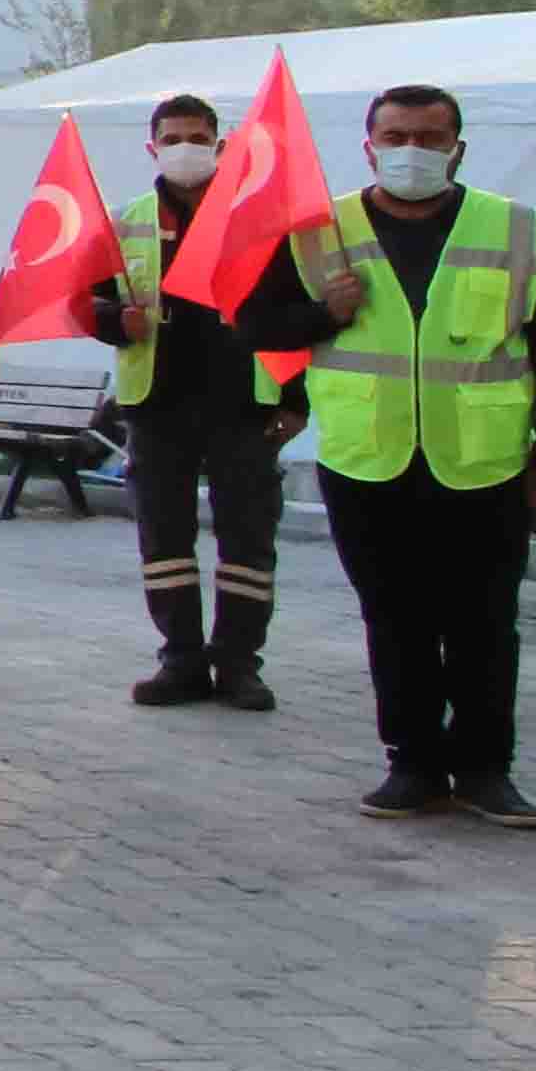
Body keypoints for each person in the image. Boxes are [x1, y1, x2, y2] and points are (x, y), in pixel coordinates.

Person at [307, 84, 536, 825]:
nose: (412, 153)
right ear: (369, 146)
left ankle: (487, 769)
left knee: (484, 623)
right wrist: (317, 312)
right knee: (393, 620)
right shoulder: (318, 229)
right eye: (396, 137)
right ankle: (414, 765)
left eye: (430, 139)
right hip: (367, 461)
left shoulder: (516, 228)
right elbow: (260, 324)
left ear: (459, 148)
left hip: (484, 463)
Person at [87, 91, 338, 714]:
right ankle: (180, 659)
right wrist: (117, 320)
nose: (184, 150)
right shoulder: (125, 222)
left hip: (245, 403)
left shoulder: (256, 221)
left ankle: (238, 664)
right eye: (171, 139)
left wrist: (295, 396)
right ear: (151, 147)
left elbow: (293, 312)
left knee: (248, 540)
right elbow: (84, 303)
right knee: (163, 539)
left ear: (221, 146)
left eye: (196, 138)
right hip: (156, 405)